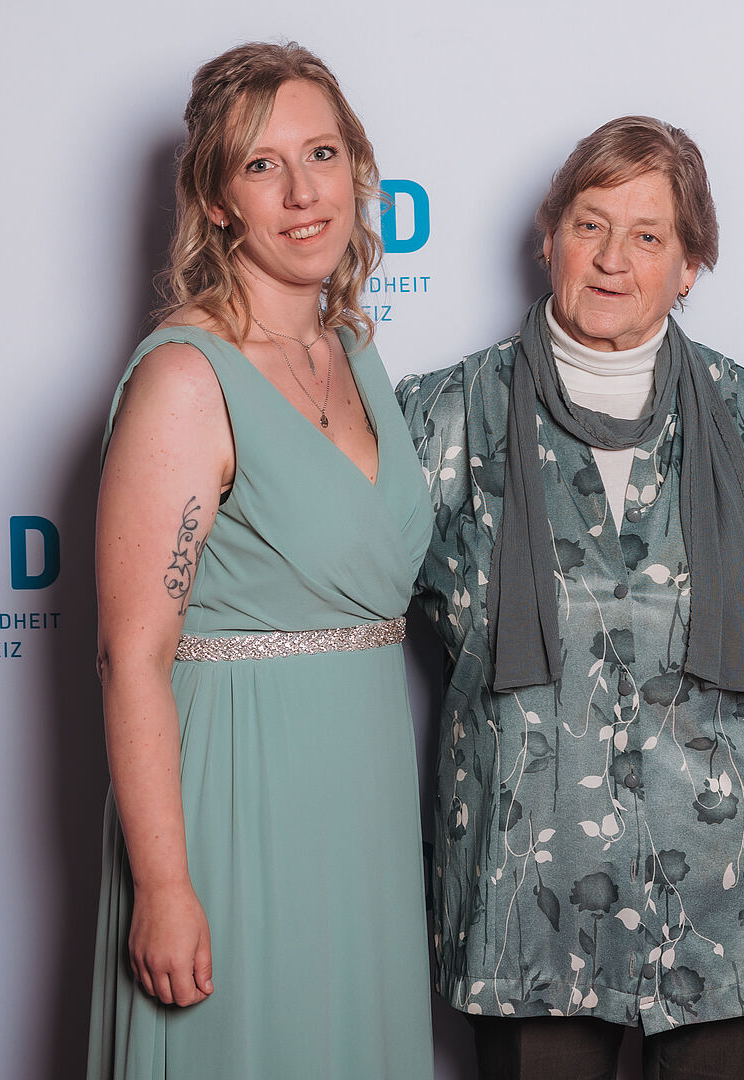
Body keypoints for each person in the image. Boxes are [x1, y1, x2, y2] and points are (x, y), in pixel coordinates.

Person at [396, 116, 744, 1080]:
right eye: (590, 225)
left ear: (691, 265)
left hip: (733, 893)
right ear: (549, 238)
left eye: (649, 235)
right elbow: (350, 615)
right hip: (522, 891)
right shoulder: (444, 414)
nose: (613, 258)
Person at [87, 42, 434, 1080]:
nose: (302, 192)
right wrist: (164, 885)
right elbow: (130, 656)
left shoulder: (353, 352)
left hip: (362, 795)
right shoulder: (187, 378)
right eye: (261, 165)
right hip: (236, 799)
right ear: (216, 199)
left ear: (356, 170)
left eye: (321, 154)